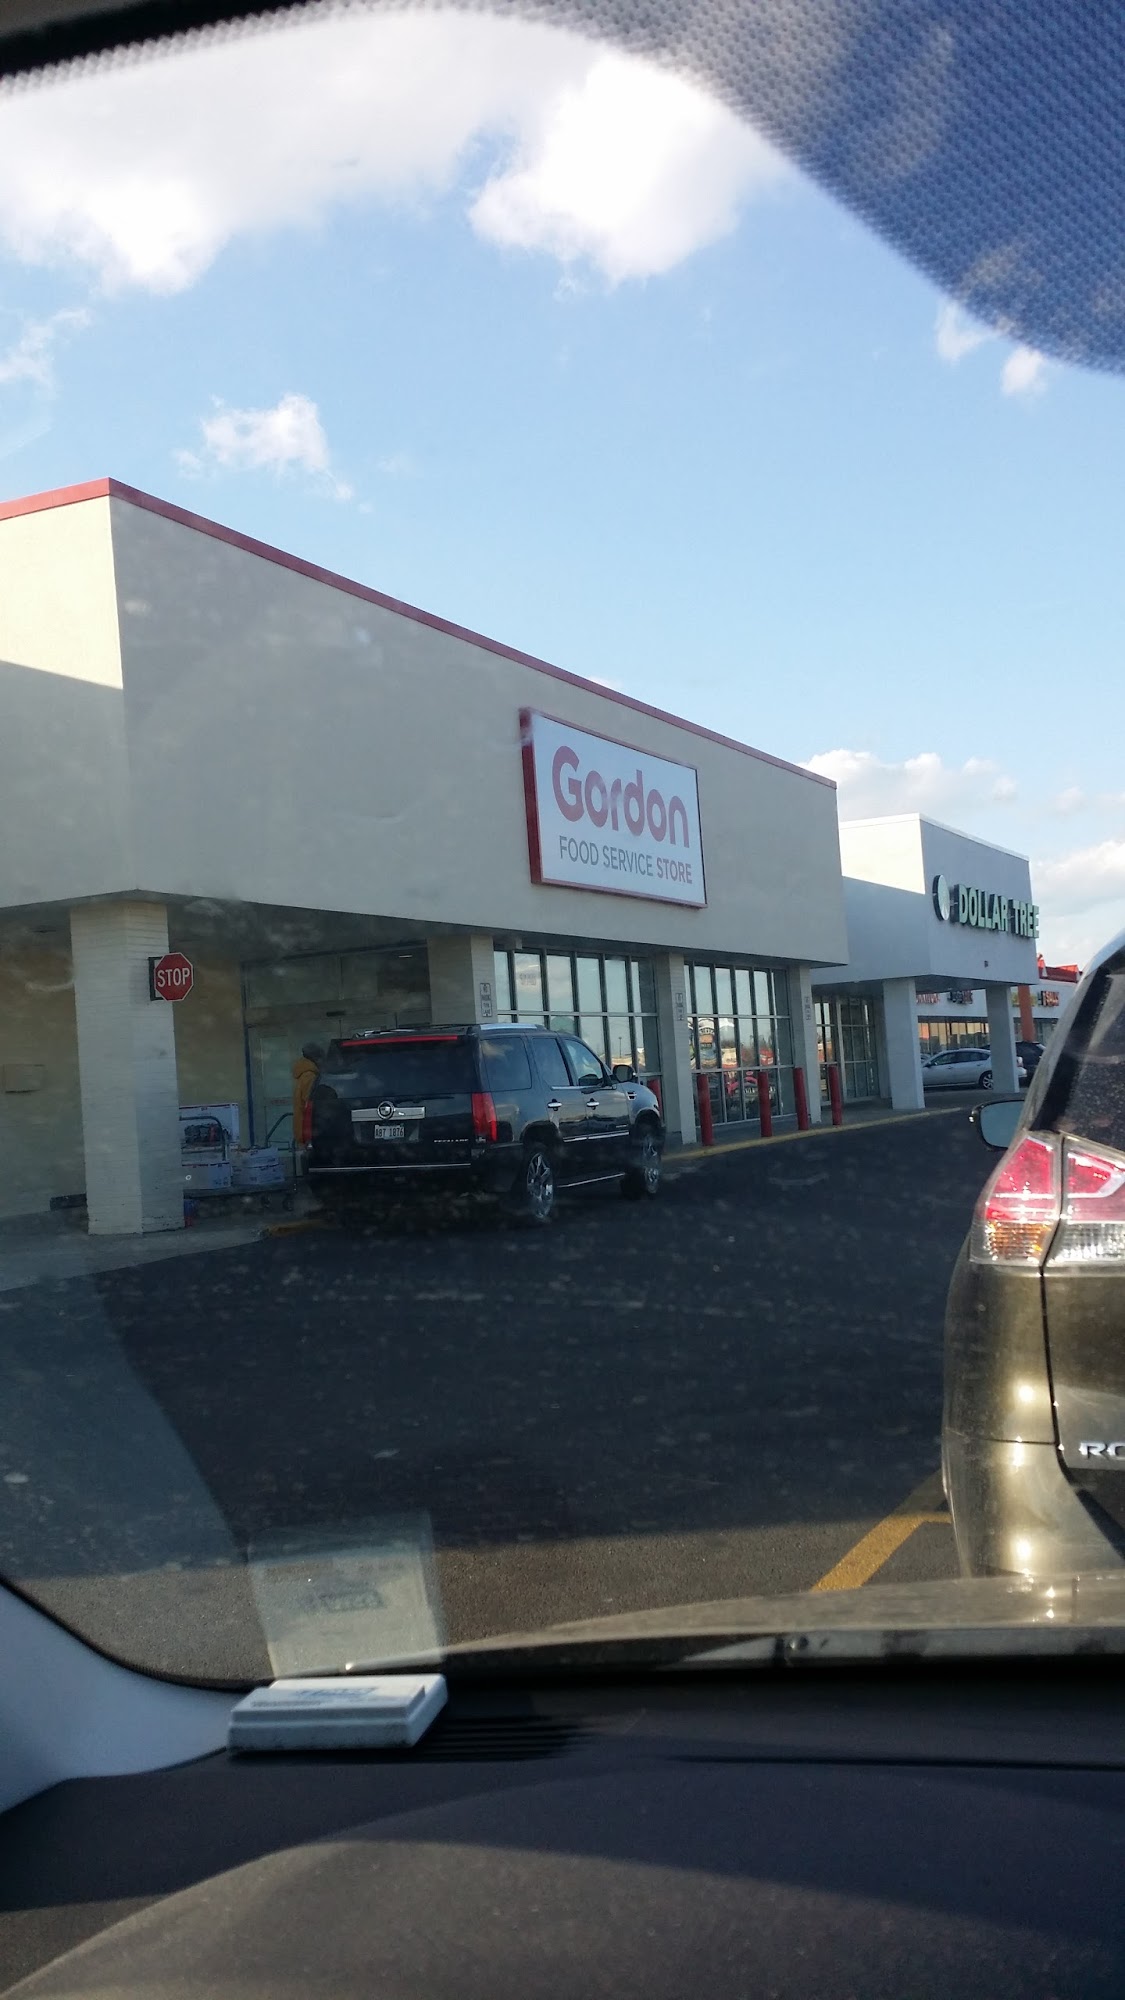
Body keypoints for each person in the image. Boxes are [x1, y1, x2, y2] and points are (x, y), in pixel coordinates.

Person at [291, 1043, 325, 1163]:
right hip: (309, 1131)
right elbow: (312, 1104)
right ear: (315, 1058)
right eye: (321, 1058)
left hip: (303, 1129)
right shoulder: (310, 1076)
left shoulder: (304, 1075)